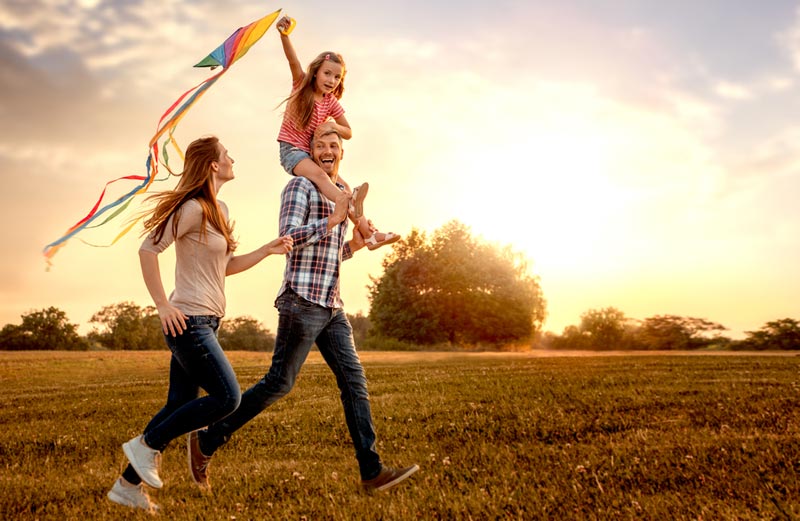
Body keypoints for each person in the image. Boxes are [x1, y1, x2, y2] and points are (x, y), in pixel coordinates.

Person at [188, 129, 419, 492]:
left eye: (334, 146)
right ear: (309, 154)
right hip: (301, 301)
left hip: (332, 304)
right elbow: (289, 239)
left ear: (341, 154)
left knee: (354, 383)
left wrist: (355, 245)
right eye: (320, 146)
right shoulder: (299, 188)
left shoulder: (339, 194)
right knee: (279, 383)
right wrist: (332, 220)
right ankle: (208, 440)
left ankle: (371, 472)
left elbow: (330, 255)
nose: (328, 151)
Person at [107, 136, 293, 513]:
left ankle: (126, 486)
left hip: (207, 320)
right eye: (227, 154)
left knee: (179, 402)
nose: (232, 158)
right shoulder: (191, 207)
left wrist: (266, 250)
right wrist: (162, 305)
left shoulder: (218, 208)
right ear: (212, 164)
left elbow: (223, 267)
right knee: (228, 398)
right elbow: (148, 248)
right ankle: (146, 444)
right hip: (187, 320)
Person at [274, 15, 400, 252]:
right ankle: (346, 202)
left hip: (310, 155)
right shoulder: (302, 86)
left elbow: (348, 131)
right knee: (324, 180)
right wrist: (285, 36)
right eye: (327, 74)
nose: (331, 80)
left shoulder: (331, 102)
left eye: (337, 77)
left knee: (344, 186)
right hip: (292, 151)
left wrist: (333, 126)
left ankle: (370, 235)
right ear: (316, 73)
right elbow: (292, 61)